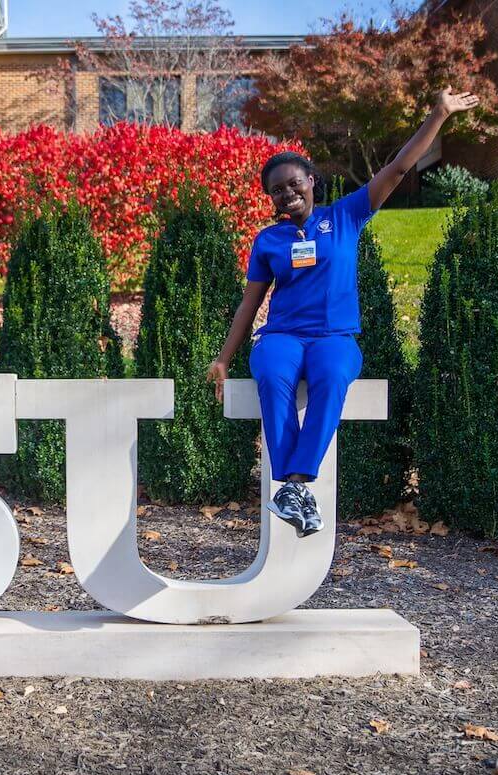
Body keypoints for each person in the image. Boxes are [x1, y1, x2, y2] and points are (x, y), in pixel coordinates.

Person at [206, 88, 480, 536]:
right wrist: (222, 357)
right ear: (271, 199)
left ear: (312, 180)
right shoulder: (268, 241)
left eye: (295, 183)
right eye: (278, 190)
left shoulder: (347, 215)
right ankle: (294, 491)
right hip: (282, 337)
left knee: (332, 377)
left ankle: (293, 485)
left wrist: (439, 114)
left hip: (335, 338)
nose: (288, 193)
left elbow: (399, 166)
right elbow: (249, 304)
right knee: (273, 375)